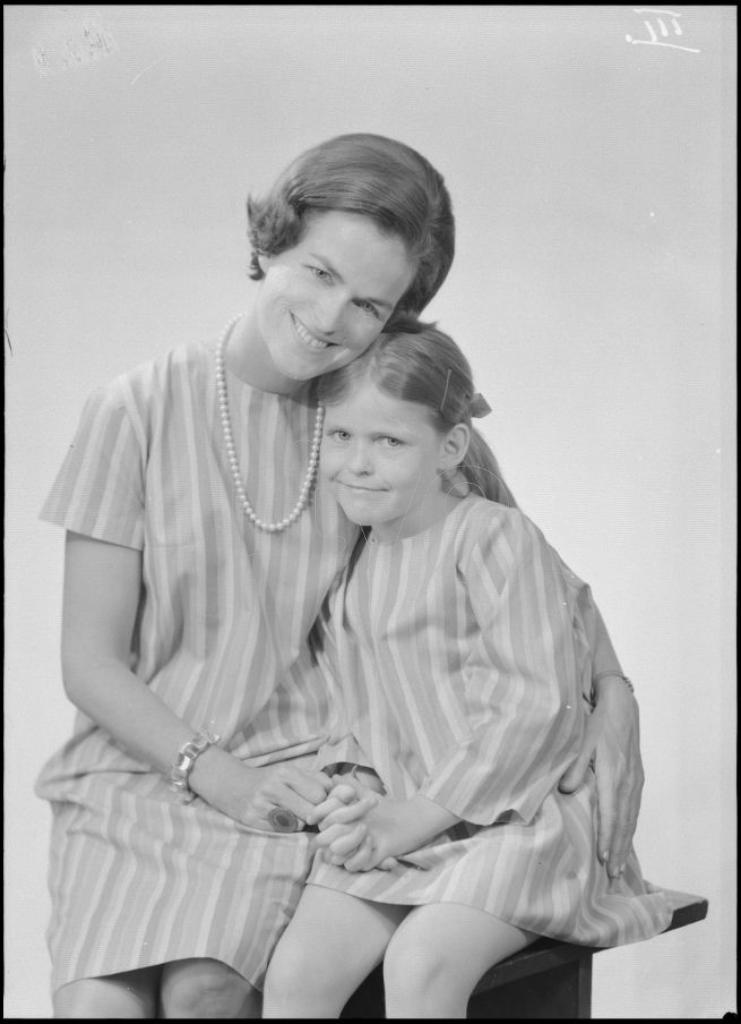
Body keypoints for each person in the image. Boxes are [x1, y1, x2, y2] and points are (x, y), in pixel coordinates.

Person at [36, 132, 643, 1019]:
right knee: (99, 1012)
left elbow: (529, 572)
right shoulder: (133, 409)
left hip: (316, 773)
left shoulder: (381, 416)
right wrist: (218, 775)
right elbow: (89, 664)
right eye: (318, 273)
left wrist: (612, 688)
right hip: (145, 770)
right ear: (269, 243)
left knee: (209, 995)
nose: (329, 320)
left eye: (369, 303)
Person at [262, 321, 674, 1019]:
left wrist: (415, 817)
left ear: (449, 446)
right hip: (406, 818)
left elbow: (532, 709)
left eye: (388, 441)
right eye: (340, 436)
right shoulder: (351, 559)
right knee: (296, 974)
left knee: (421, 964)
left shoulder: (492, 538)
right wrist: (355, 795)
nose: (356, 463)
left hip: (518, 823)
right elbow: (360, 714)